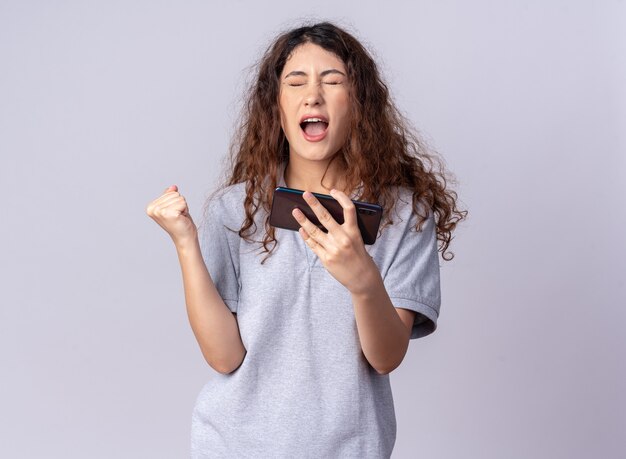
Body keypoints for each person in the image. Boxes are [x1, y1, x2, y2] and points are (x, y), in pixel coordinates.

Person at [146, 21, 465, 458]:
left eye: (332, 81)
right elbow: (224, 358)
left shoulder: (406, 215)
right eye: (295, 82)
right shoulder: (233, 209)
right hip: (232, 445)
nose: (312, 94)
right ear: (277, 106)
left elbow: (386, 357)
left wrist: (362, 279)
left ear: (359, 104)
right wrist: (185, 243)